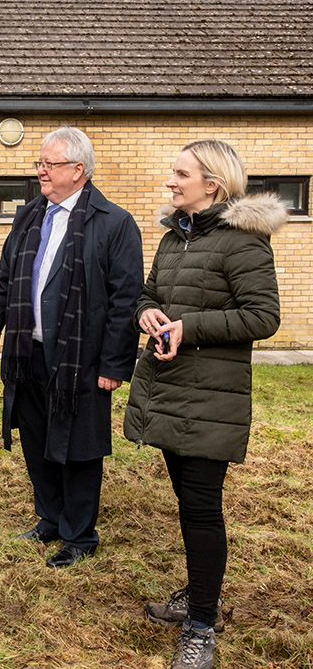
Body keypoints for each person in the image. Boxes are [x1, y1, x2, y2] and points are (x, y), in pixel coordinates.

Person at [124, 140, 286, 669]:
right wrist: (148, 315)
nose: (170, 181)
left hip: (209, 398)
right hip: (170, 390)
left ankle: (200, 627)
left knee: (200, 509)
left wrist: (187, 327)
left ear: (211, 184)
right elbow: (150, 295)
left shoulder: (243, 242)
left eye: (180, 174)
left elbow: (263, 317)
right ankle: (201, 600)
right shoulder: (176, 237)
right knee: (189, 506)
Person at [0, 126, 143, 568]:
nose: (40, 172)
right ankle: (49, 520)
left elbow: (126, 299)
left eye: (48, 165)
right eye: (38, 164)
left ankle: (79, 535)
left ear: (79, 169)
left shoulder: (114, 223)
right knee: (36, 440)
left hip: (81, 360)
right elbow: (6, 275)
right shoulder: (31, 213)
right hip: (27, 352)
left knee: (79, 447)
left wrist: (114, 364)